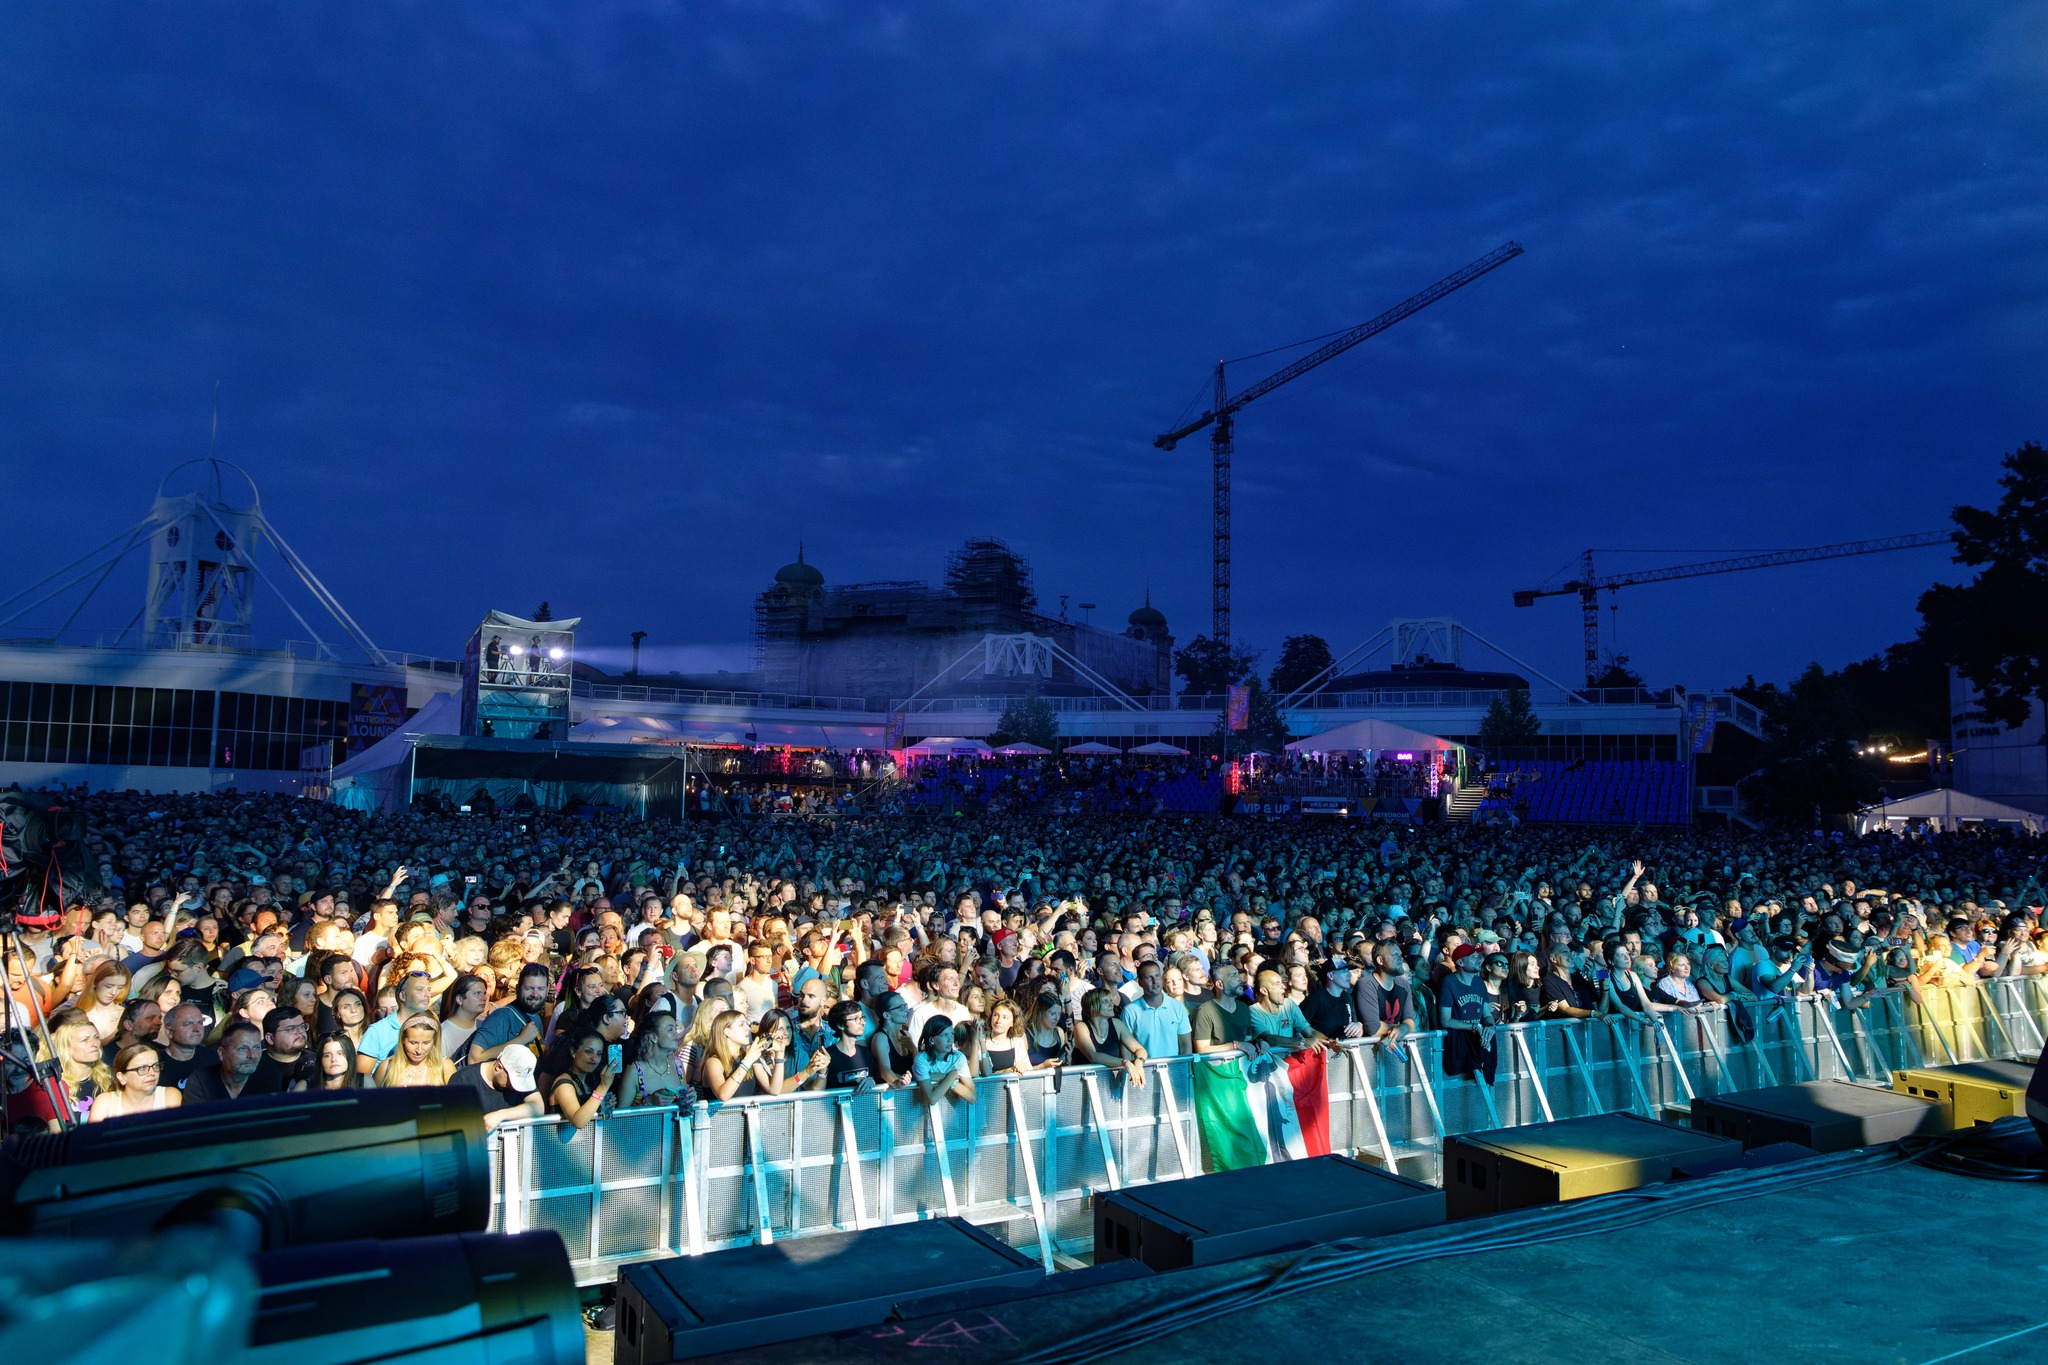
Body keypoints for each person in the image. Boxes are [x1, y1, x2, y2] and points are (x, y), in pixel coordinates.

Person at [451, 1043, 547, 1129]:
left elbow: (538, 1108)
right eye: (513, 1080)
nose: (515, 1087)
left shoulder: (522, 1078)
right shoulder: (463, 1079)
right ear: (498, 1067)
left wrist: (500, 1115)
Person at [1438, 945, 1496, 1085]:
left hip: (1478, 1035)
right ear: (1460, 963)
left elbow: (1486, 1014)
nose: (1478, 960)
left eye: (1477, 956)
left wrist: (1491, 1027)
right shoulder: (1449, 982)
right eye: (1473, 957)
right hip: (1460, 1040)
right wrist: (1473, 1026)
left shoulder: (1479, 982)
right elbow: (1446, 1021)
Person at [1117, 961, 1191, 1060]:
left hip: (1174, 1070)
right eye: (1149, 977)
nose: (1155, 981)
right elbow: (1126, 1050)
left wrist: (1183, 1070)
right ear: (1140, 982)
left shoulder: (1177, 1007)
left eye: (1157, 976)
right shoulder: (1130, 1011)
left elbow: (1185, 1045)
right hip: (1144, 1071)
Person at [1073, 986, 1145, 1087]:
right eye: (1105, 1001)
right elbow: (1094, 1056)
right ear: (1092, 1005)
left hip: (1108, 1086)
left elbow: (1139, 1049)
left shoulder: (1116, 1024)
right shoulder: (1081, 1027)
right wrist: (1125, 1062)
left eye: (1111, 1000)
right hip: (1083, 1086)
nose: (1111, 1004)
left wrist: (1139, 1062)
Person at [88, 1043, 181, 1121]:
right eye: (142, 1068)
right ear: (122, 1077)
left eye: (155, 1066)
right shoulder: (105, 1102)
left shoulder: (169, 1095)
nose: (152, 1073)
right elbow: (93, 1140)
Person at [183, 1020, 266, 1106]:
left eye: (256, 1048)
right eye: (243, 1049)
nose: (252, 1055)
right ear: (222, 1053)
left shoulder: (269, 1078)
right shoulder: (201, 1080)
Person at [549, 1028, 616, 1131]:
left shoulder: (591, 1079)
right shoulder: (564, 1084)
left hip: (587, 1143)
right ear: (573, 1052)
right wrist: (603, 1088)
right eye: (589, 1052)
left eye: (599, 1053)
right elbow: (578, 1122)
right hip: (560, 1145)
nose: (594, 1058)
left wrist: (605, 1104)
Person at [374, 1014, 457, 1088]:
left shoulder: (445, 1066)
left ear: (434, 1041)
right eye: (413, 1043)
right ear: (402, 1039)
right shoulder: (387, 1067)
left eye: (426, 1043)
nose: (419, 1050)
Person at [912, 1016, 976, 1107]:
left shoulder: (958, 1057)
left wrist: (947, 1078)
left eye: (952, 1034)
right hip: (920, 1109)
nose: (950, 1040)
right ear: (931, 1040)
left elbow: (972, 1097)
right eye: (945, 1035)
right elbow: (932, 1099)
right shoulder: (921, 1059)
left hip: (951, 1109)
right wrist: (952, 1075)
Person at [815, 1000, 876, 1094]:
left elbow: (871, 1076)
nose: (862, 1022)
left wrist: (871, 1081)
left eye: (862, 1017)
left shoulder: (865, 1052)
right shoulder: (828, 1055)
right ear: (840, 1025)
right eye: (856, 1018)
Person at [1302, 958, 1364, 1041]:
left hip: (1344, 1049)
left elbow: (1354, 1024)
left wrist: (1358, 1027)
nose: (1349, 975)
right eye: (1344, 971)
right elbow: (1300, 1028)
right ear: (1330, 975)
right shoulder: (1315, 999)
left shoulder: (1347, 997)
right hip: (1322, 1051)